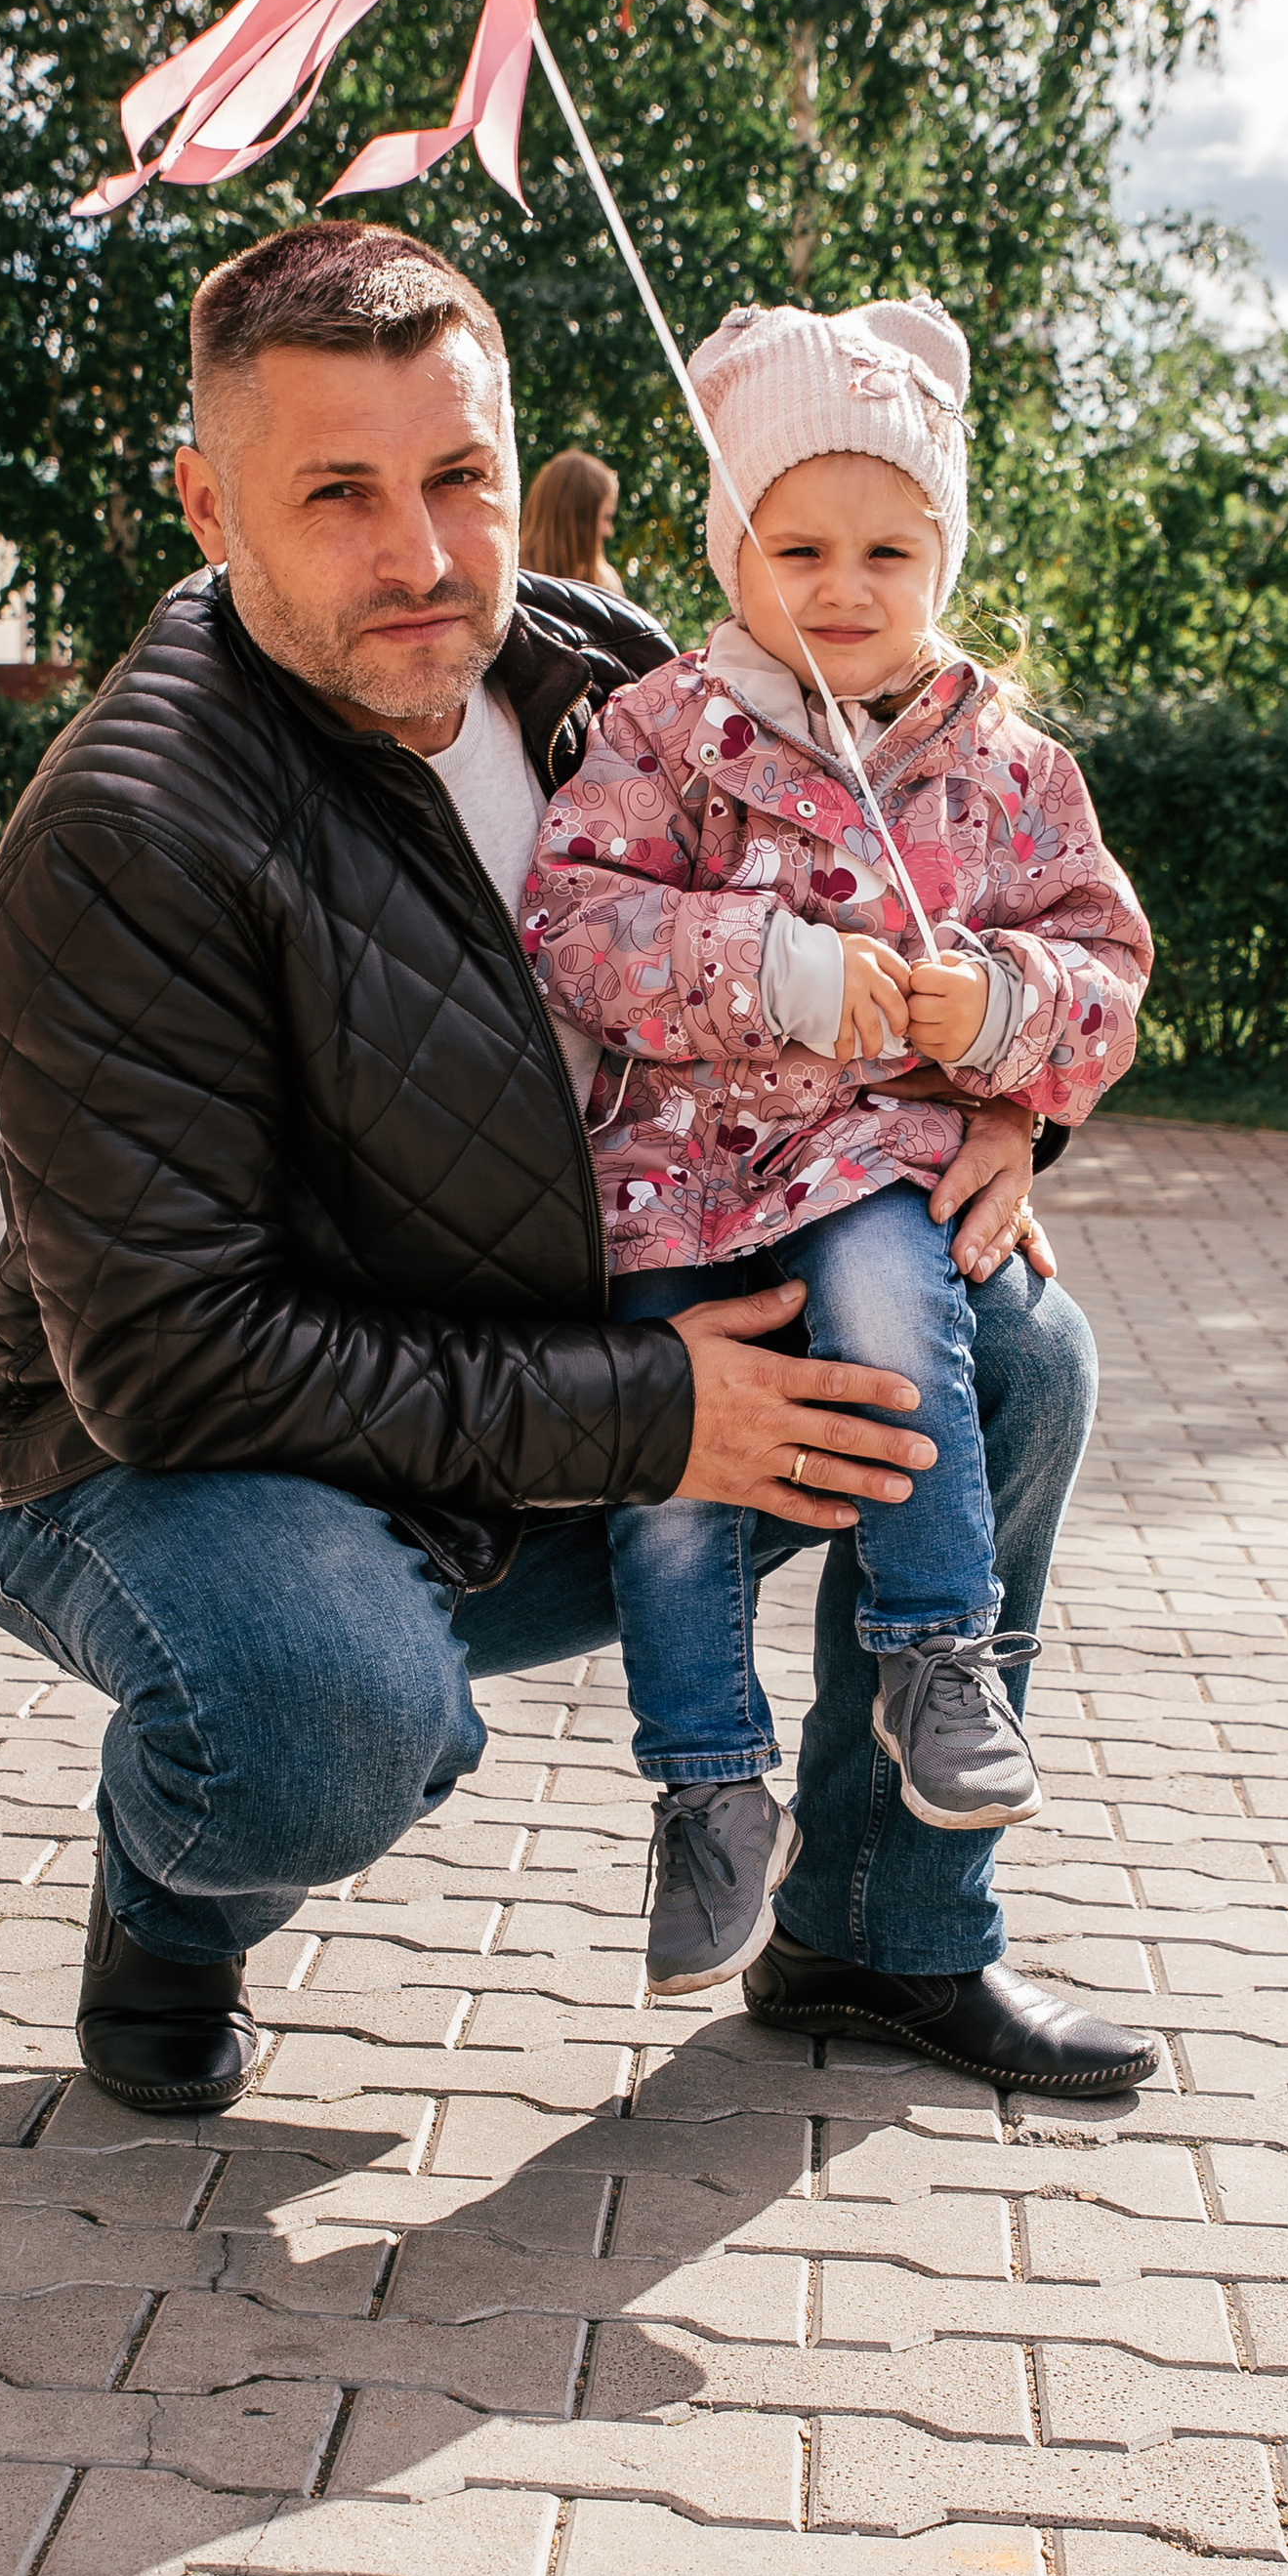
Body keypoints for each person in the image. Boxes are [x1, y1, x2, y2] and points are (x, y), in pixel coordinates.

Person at [0, 217, 1160, 2118]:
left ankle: (879, 1932)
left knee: (1010, 1350)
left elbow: (943, 902)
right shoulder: (129, 835)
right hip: (175, 1472)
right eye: (336, 494)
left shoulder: (612, 675)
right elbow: (175, 1361)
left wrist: (1007, 1095)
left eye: (458, 478)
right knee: (321, 1714)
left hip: (559, 1387)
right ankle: (169, 1906)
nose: (423, 553)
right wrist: (650, 1412)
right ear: (208, 501)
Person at [523, 297, 1151, 1996]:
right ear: (730, 547)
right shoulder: (667, 732)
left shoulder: (1005, 766)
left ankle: (939, 1655)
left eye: (890, 546)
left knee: (905, 1307)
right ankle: (707, 1788)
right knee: (677, 1472)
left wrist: (1004, 1019)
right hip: (676, 1182)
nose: (843, 586)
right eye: (795, 543)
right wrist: (776, 969)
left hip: (871, 1160)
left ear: (944, 553)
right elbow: (569, 918)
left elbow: (1109, 969)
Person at [520, 444, 622, 590]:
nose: (609, 532)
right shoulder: (511, 583)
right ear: (576, 521)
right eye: (606, 517)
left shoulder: (606, 584)